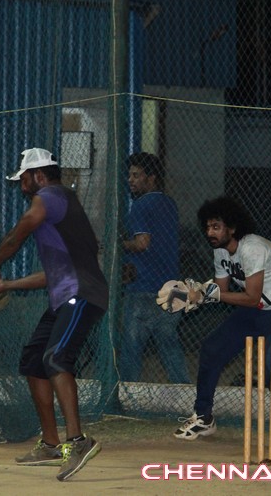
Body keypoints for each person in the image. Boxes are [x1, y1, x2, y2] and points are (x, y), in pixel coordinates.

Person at [0, 148, 108, 482]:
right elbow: (52, 274)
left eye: (24, 179)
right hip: (65, 296)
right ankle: (51, 444)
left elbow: (18, 232)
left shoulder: (52, 195)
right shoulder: (60, 213)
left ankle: (78, 441)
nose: (22, 186)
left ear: (39, 175)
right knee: (34, 360)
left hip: (81, 295)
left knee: (55, 358)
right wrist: (8, 284)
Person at [171, 195, 271, 455]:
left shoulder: (252, 247)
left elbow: (250, 296)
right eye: (207, 227)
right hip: (258, 309)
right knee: (212, 349)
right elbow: (222, 289)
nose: (210, 232)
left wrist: (209, 294)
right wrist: (194, 293)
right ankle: (203, 418)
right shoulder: (220, 251)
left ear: (233, 227)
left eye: (216, 227)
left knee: (270, 362)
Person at [119, 152, 189, 383]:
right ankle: (184, 392)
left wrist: (118, 245)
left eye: (136, 175)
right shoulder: (170, 203)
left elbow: (142, 243)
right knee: (170, 346)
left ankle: (127, 394)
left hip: (144, 288)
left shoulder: (140, 205)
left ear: (151, 178)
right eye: (129, 175)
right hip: (172, 286)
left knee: (131, 348)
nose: (131, 180)